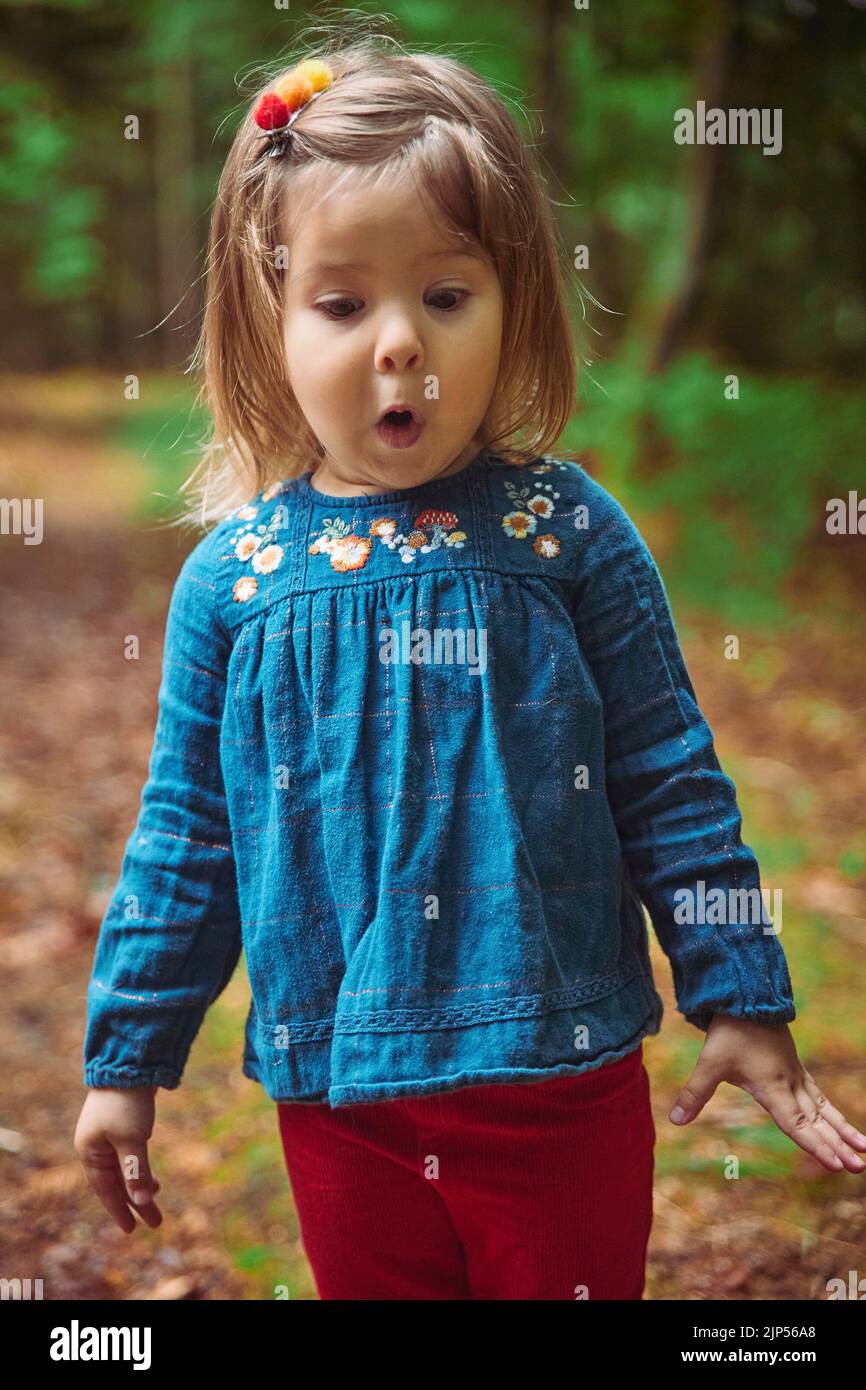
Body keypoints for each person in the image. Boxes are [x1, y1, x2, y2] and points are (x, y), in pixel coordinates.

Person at [74, 34, 866, 1301]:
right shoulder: (234, 585)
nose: (399, 342)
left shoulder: (567, 536)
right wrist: (126, 1063)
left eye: (445, 296)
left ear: (515, 307)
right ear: (267, 319)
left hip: (557, 1082)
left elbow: (668, 780)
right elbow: (186, 841)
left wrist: (738, 989)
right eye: (342, 304)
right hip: (339, 1098)